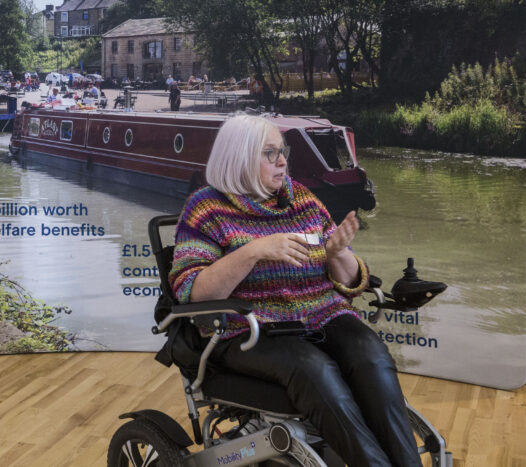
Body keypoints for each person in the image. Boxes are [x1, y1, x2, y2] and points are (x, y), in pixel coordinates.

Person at [169, 114, 418, 466]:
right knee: (315, 370)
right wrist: (254, 251)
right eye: (270, 153)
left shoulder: (301, 198)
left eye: (282, 150)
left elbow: (349, 282)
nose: (283, 159)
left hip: (321, 313)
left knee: (371, 356)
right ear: (239, 156)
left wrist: (336, 254)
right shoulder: (206, 209)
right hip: (248, 330)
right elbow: (193, 291)